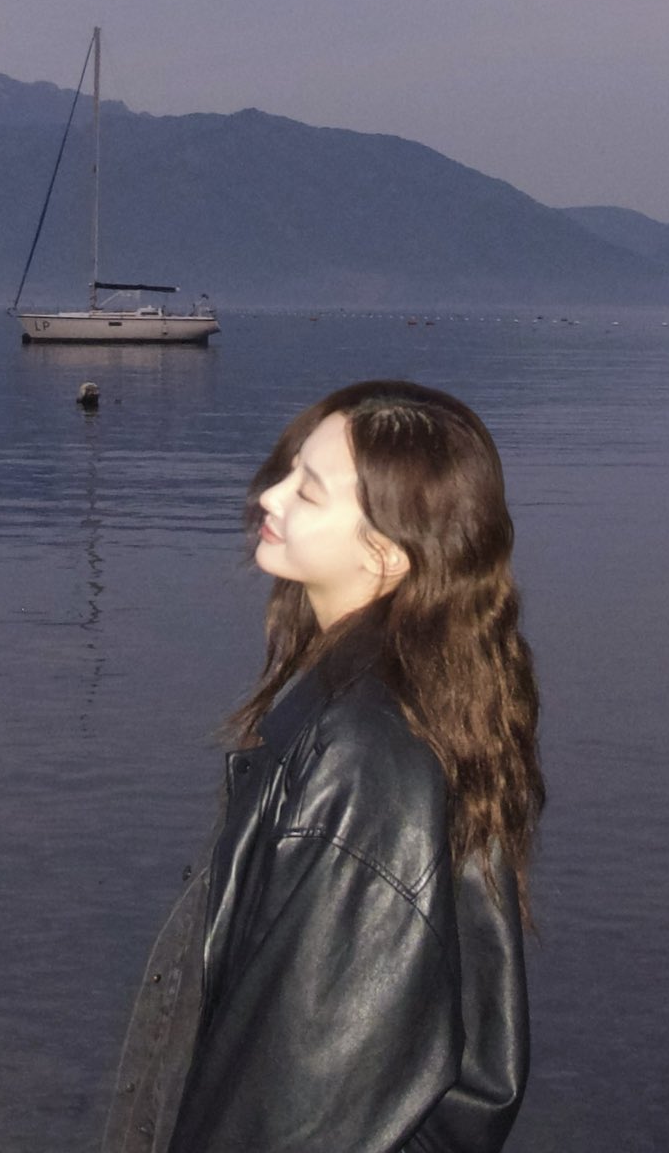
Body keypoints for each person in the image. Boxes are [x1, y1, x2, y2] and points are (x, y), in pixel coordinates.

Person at [102, 378, 544, 1153]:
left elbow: (298, 1098)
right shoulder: (418, 693)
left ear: (388, 551)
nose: (269, 497)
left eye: (307, 491)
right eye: (287, 473)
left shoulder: (364, 754)